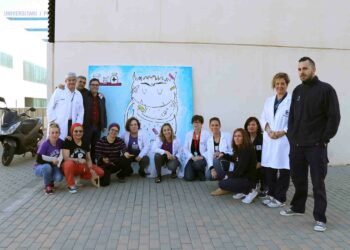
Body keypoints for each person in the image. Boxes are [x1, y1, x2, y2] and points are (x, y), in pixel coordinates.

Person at [280, 57, 340, 232]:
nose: (301, 72)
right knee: (298, 178)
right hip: (297, 145)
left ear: (313, 70)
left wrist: (323, 139)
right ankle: (298, 207)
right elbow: (291, 116)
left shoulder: (326, 90)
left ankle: (320, 218)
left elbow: (334, 117)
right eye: (299, 69)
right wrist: (291, 136)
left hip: (316, 146)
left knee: (317, 183)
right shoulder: (297, 91)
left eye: (305, 69)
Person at [260, 72, 292, 208]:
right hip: (269, 138)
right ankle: (271, 195)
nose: (280, 86)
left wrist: (282, 132)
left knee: (284, 170)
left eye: (282, 83)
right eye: (277, 83)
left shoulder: (292, 100)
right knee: (270, 170)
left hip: (283, 140)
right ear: (274, 85)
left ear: (286, 85)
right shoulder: (268, 101)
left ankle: (280, 198)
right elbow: (263, 118)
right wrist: (268, 131)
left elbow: (294, 120)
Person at [211, 128, 257, 203]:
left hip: (248, 180)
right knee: (223, 178)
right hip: (242, 177)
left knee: (222, 183)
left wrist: (229, 176)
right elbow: (234, 158)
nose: (237, 138)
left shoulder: (247, 150)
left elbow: (241, 170)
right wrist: (223, 154)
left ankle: (251, 191)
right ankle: (243, 191)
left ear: (244, 137)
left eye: (239, 136)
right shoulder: (240, 148)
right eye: (235, 136)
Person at [61, 123, 104, 193]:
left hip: (82, 166)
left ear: (83, 132)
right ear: (72, 132)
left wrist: (91, 169)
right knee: (68, 164)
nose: (78, 133)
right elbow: (66, 158)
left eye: (80, 131)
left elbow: (88, 159)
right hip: (70, 166)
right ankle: (71, 185)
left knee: (100, 172)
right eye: (76, 131)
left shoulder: (86, 142)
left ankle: (79, 176)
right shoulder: (68, 141)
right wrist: (78, 160)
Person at [47, 72, 84, 139]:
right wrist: (52, 121)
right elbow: (50, 106)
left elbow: (81, 111)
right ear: (65, 81)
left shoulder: (79, 94)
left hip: (72, 124)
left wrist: (78, 124)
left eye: (73, 80)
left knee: (69, 143)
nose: (71, 82)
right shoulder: (59, 91)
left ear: (76, 81)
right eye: (69, 80)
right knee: (57, 142)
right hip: (58, 123)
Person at [33, 123, 64, 194]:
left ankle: (50, 180)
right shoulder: (45, 144)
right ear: (49, 133)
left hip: (52, 166)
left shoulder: (60, 142)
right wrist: (51, 162)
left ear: (59, 133)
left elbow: (68, 146)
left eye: (57, 132)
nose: (54, 134)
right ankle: (47, 185)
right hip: (40, 167)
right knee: (47, 167)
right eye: (52, 132)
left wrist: (68, 139)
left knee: (59, 178)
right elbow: (38, 159)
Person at [82, 78, 107, 163]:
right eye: (93, 85)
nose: (95, 86)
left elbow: (104, 111)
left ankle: (92, 163)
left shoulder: (102, 97)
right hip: (86, 126)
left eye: (97, 85)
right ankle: (84, 163)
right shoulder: (84, 96)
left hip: (97, 127)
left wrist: (104, 125)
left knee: (95, 146)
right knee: (85, 145)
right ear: (89, 86)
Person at [244, 117, 266, 198]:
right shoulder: (245, 138)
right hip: (250, 163)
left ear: (257, 126)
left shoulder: (263, 138)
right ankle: (252, 186)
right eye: (249, 125)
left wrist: (260, 162)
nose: (251, 126)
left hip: (262, 162)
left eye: (253, 124)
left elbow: (266, 152)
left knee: (263, 169)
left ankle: (265, 188)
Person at [183, 115, 210, 181]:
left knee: (197, 164)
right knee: (188, 178)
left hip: (202, 158)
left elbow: (210, 149)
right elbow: (185, 148)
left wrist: (202, 156)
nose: (196, 124)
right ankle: (196, 172)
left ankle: (201, 171)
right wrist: (191, 156)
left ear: (201, 123)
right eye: (194, 122)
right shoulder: (189, 134)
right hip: (192, 158)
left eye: (198, 122)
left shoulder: (207, 134)